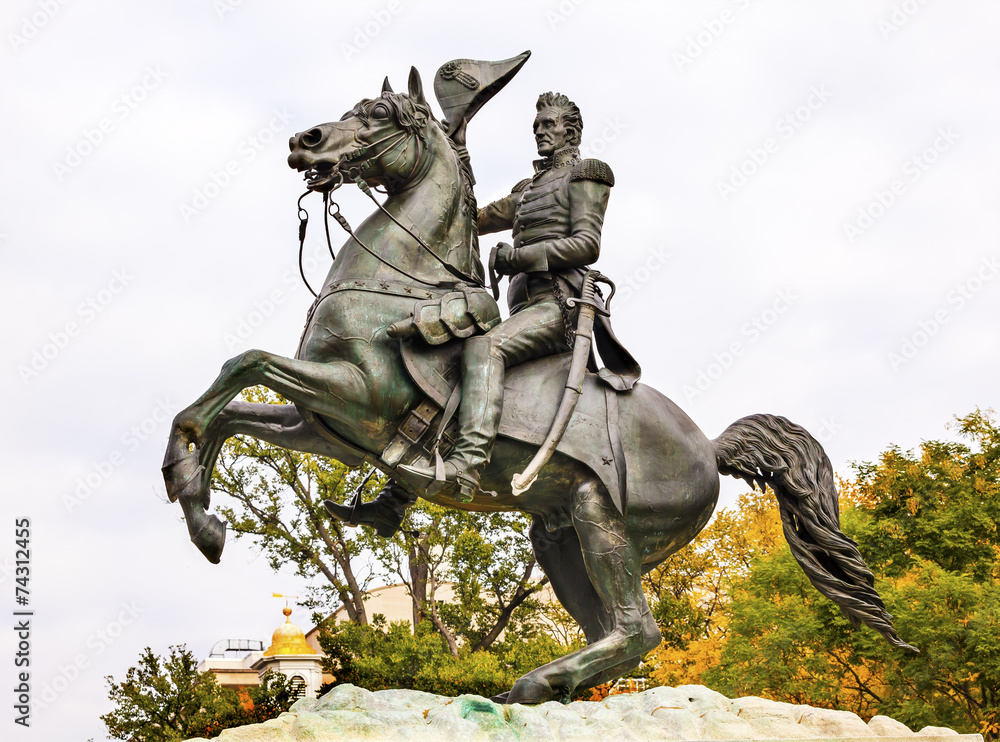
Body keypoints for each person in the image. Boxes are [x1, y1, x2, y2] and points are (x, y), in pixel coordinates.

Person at [327, 91, 639, 534]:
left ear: (571, 131)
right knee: (445, 362)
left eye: (549, 125)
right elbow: (468, 214)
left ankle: (467, 465)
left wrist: (518, 257)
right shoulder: (526, 191)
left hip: (561, 306)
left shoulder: (588, 174)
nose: (540, 133)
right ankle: (394, 502)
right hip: (523, 308)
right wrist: (456, 151)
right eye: (536, 126)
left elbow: (588, 244)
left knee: (483, 349)